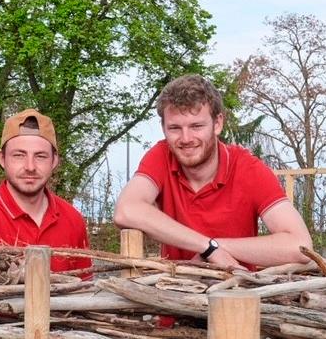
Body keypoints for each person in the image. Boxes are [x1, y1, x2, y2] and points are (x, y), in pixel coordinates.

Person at [113, 73, 311, 269]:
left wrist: (215, 247)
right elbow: (126, 210)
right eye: (174, 128)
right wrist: (207, 247)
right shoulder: (161, 155)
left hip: (238, 291)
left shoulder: (249, 169)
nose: (186, 138)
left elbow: (300, 246)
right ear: (163, 128)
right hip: (178, 291)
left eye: (196, 126)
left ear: (217, 124)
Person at [0, 108, 91, 339]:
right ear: (2, 158)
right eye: (19, 155)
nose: (30, 166)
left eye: (40, 156)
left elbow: (85, 297)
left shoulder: (72, 218)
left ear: (55, 161)